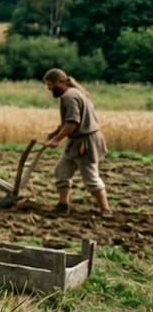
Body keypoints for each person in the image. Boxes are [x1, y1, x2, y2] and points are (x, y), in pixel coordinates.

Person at [43, 68, 111, 215]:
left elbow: (73, 122)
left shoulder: (69, 97)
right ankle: (63, 206)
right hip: (76, 142)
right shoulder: (75, 93)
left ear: (59, 82)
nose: (49, 88)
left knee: (91, 178)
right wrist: (55, 132)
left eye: (50, 85)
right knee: (62, 171)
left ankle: (105, 210)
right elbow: (69, 121)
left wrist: (56, 140)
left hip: (85, 143)